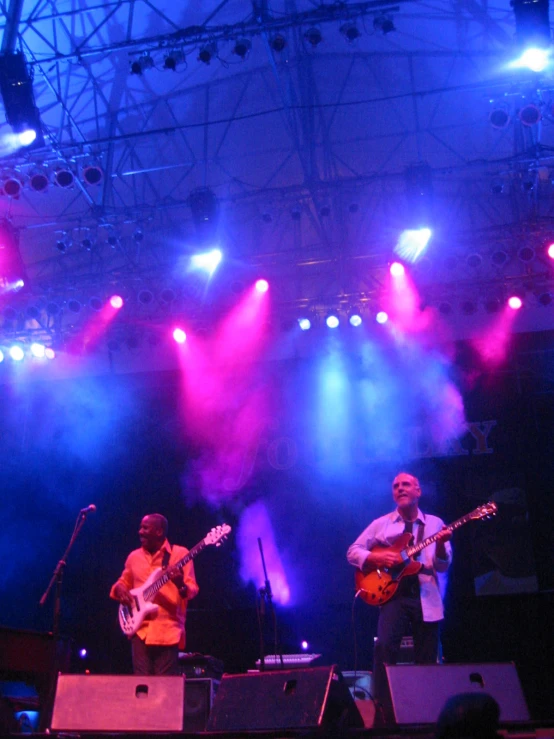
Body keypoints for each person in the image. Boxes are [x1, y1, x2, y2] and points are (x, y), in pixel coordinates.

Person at [347, 472, 452, 721]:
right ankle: (383, 716)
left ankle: (430, 715)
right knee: (384, 650)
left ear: (418, 491)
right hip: (392, 596)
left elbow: (442, 566)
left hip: (425, 596)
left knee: (427, 657)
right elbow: (353, 552)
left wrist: (439, 545)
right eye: (396, 486)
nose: (400, 489)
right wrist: (378, 558)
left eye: (406, 485)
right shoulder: (382, 523)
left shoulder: (435, 524)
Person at [110, 513, 199, 675]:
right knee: (141, 687)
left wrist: (180, 584)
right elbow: (122, 581)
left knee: (162, 691)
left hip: (168, 630)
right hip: (140, 631)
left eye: (145, 528)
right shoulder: (134, 557)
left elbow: (191, 589)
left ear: (159, 532)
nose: (140, 532)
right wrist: (119, 588)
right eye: (140, 528)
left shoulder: (180, 554)